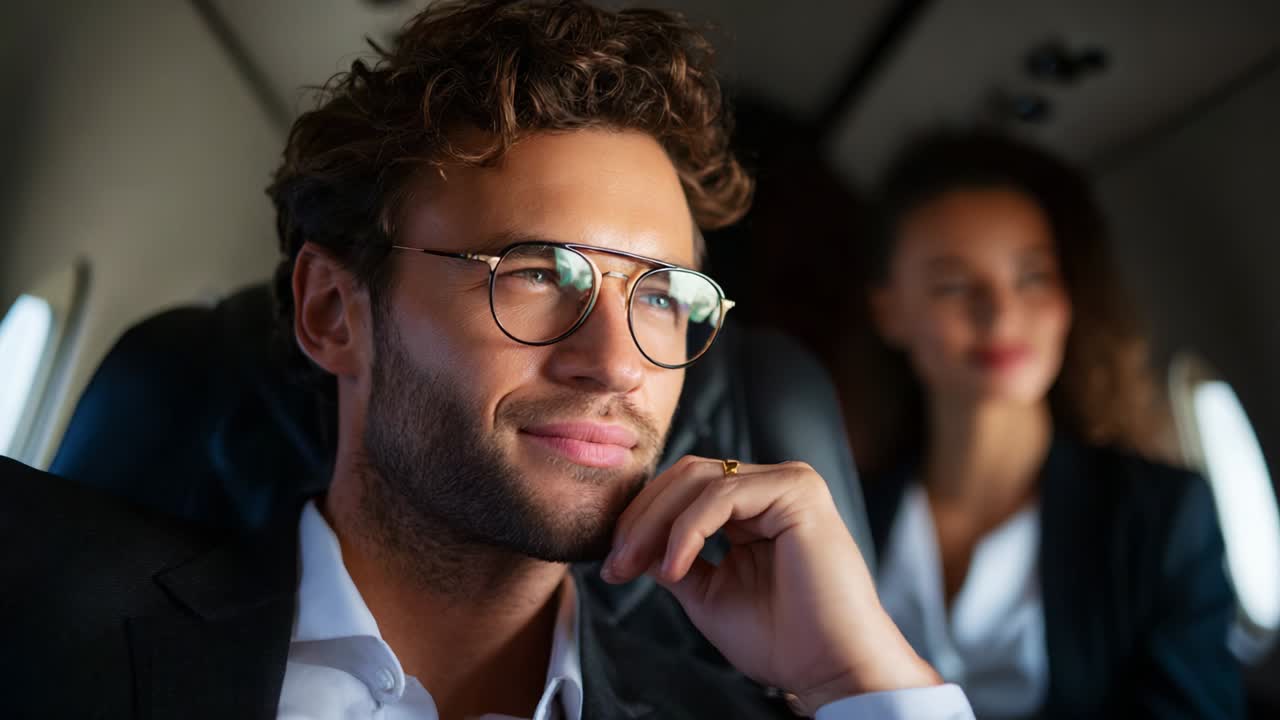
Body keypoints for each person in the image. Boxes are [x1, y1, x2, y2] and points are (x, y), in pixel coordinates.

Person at [0, 2, 976, 718]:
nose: (615, 366)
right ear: (334, 311)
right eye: (539, 274)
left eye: (659, 297)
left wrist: (860, 684)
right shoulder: (32, 597)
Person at [847, 129, 1244, 718]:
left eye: (1032, 277)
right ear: (890, 312)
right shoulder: (847, 509)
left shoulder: (1164, 516)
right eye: (954, 285)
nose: (1000, 312)